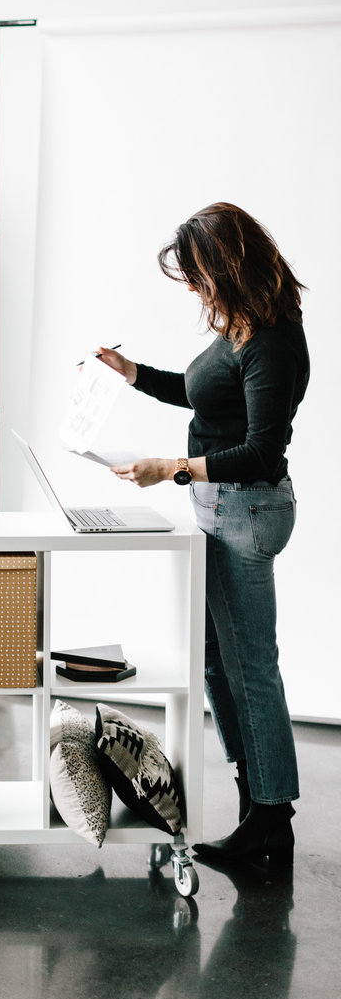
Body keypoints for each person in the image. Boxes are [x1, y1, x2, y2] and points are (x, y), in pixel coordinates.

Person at [98, 202, 309, 868]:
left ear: (227, 266)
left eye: (196, 274)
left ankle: (272, 820)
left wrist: (176, 469)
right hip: (224, 507)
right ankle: (256, 804)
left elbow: (261, 451)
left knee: (252, 670)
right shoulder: (240, 331)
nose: (192, 289)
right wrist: (130, 376)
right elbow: (203, 396)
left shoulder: (272, 341)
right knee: (221, 663)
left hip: (246, 509)